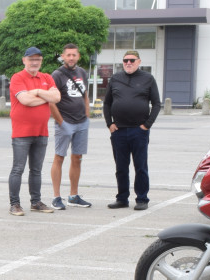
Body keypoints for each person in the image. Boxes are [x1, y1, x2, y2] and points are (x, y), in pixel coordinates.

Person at [102, 50, 161, 211]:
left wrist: (146, 125)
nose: (128, 63)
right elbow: (107, 103)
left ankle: (142, 198)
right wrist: (110, 124)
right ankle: (122, 198)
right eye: (126, 60)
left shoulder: (148, 79)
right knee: (121, 167)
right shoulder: (115, 78)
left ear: (139, 61)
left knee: (140, 166)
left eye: (132, 60)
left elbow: (156, 104)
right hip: (119, 131)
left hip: (139, 131)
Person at [8, 46, 60, 217]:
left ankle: (35, 202)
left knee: (36, 170)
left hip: (41, 131)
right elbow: (24, 100)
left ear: (41, 61)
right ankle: (15, 204)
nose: (34, 62)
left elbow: (57, 98)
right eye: (31, 59)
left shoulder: (46, 77)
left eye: (37, 59)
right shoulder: (18, 78)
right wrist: (45, 97)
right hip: (22, 132)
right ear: (24, 60)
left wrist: (37, 92)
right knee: (18, 169)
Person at [49, 44, 91, 211]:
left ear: (78, 56)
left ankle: (73, 196)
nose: (71, 58)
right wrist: (61, 122)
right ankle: (56, 197)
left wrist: (87, 115)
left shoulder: (81, 73)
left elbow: (85, 95)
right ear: (63, 56)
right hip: (65, 122)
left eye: (74, 55)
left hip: (81, 123)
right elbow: (51, 101)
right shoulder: (57, 75)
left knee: (77, 158)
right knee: (59, 157)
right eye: (68, 55)